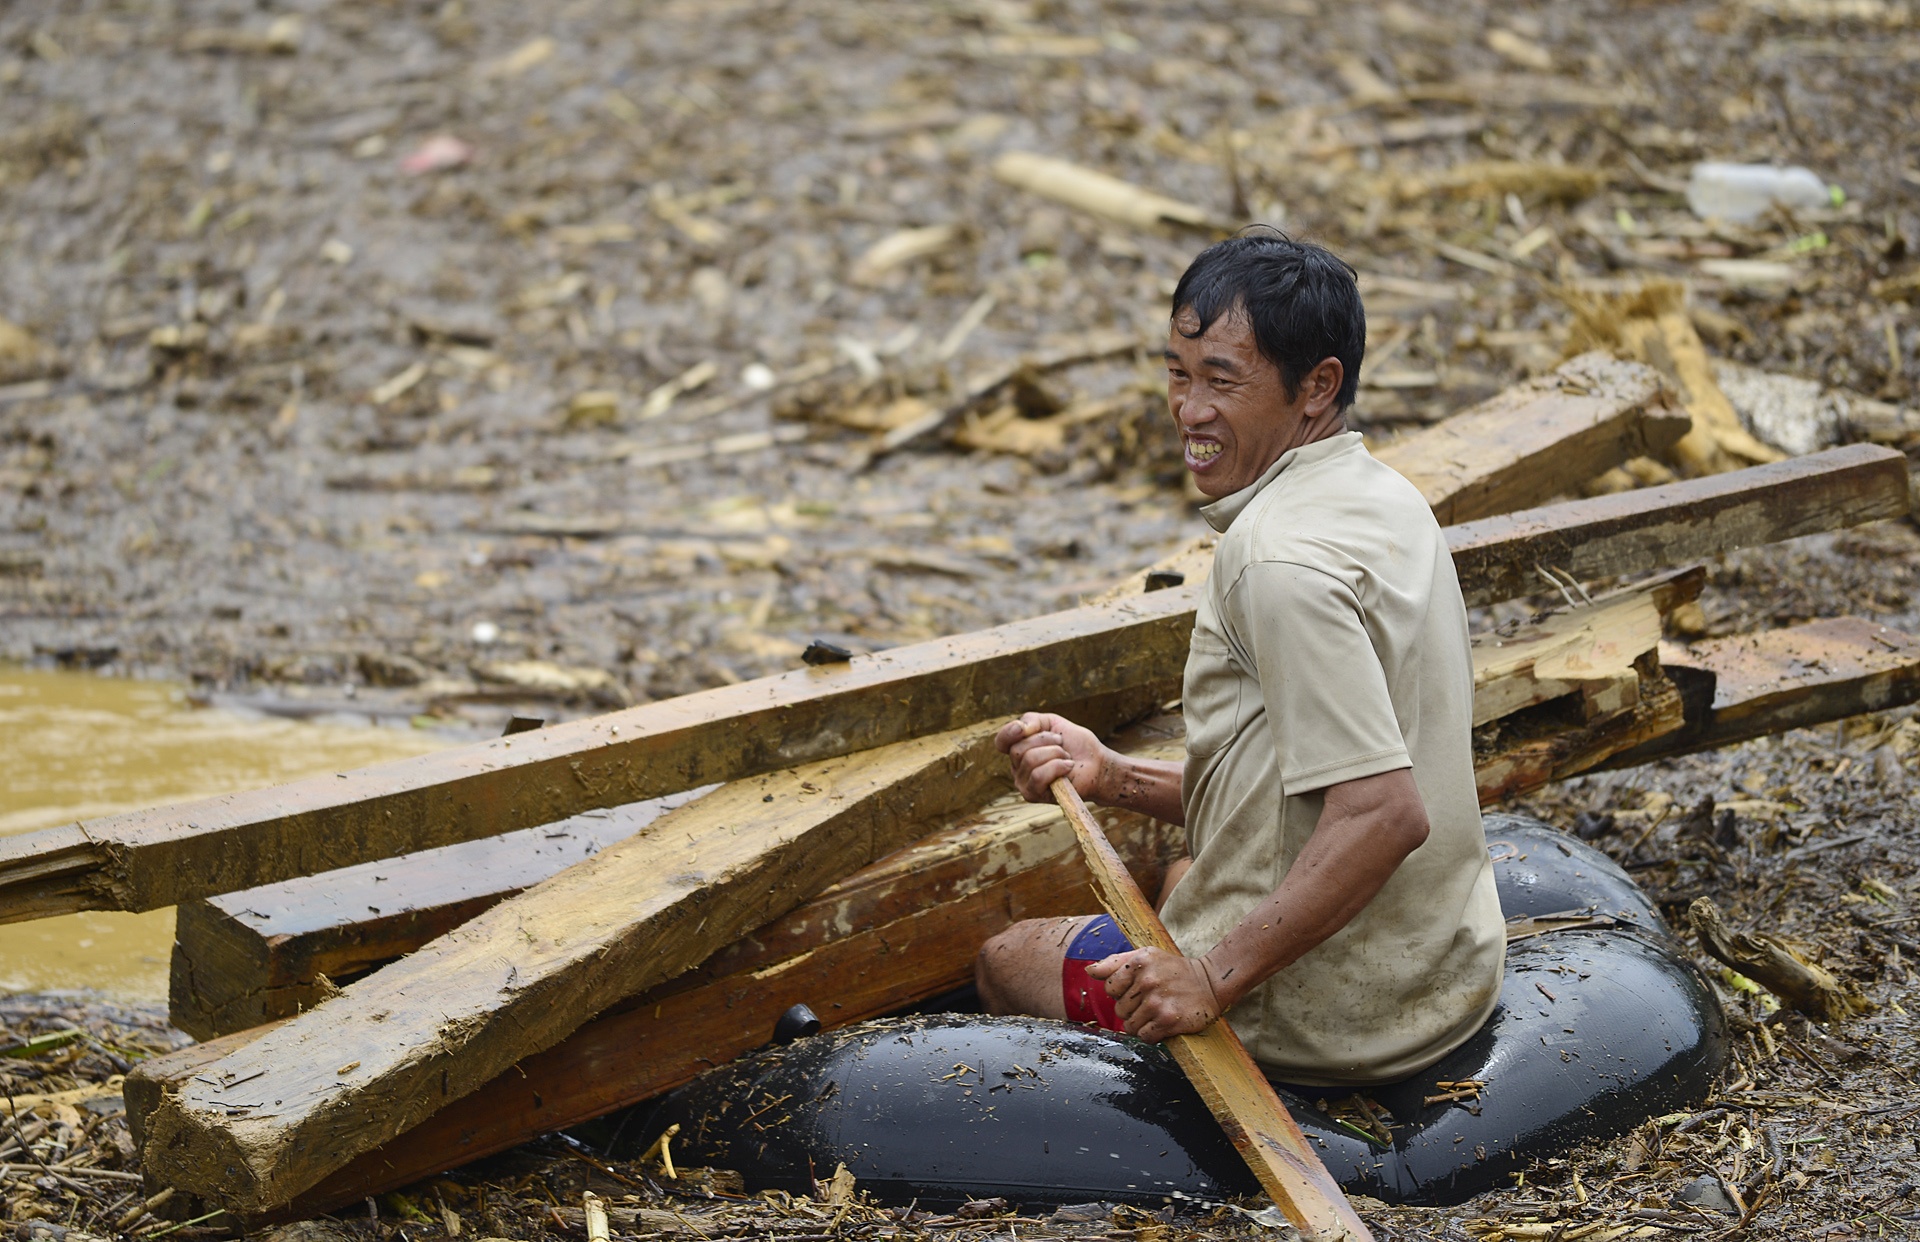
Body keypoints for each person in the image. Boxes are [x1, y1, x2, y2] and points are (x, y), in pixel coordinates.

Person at [973, 231, 1505, 1088]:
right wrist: (1112, 775)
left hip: (1322, 1021)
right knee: (1183, 866)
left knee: (1007, 958)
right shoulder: (1385, 498)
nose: (1188, 410)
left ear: (1316, 386)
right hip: (1442, 980)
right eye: (1178, 374)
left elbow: (1382, 813)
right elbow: (1299, 790)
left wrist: (1208, 981)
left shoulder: (1276, 562)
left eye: (1223, 380)